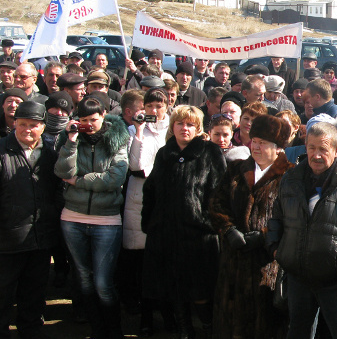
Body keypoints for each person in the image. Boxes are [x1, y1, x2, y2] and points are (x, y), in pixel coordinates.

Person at [267, 121, 337, 339]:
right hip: (298, 279)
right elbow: (276, 219)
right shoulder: (291, 179)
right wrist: (277, 251)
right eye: (312, 148)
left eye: (323, 149)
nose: (316, 155)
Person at [141, 106, 226, 338]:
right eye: (180, 123)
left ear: (198, 128)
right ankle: (184, 330)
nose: (185, 128)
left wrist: (209, 223)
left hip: (199, 236)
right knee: (173, 287)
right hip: (166, 232)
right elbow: (151, 191)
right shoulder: (164, 153)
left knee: (201, 289)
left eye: (190, 124)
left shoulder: (210, 152)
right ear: (173, 126)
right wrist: (150, 223)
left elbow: (220, 192)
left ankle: (209, 327)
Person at [210, 114, 293, 339]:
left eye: (263, 143)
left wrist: (265, 236)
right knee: (231, 321)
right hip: (233, 260)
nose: (256, 147)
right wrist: (227, 229)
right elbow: (217, 204)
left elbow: (294, 219)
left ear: (277, 148)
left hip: (267, 264)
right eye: (254, 140)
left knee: (265, 323)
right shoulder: (236, 170)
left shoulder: (290, 177)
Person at [54, 97, 129, 339]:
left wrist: (79, 181)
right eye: (84, 120)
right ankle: (97, 330)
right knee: (84, 281)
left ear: (104, 115)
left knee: (103, 284)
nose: (89, 125)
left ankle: (114, 331)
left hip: (106, 220)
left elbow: (115, 178)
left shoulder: (117, 139)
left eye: (94, 120)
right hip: (72, 218)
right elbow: (62, 171)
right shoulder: (71, 139)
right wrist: (72, 140)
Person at [0, 101, 62, 339]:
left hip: (40, 239)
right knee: (3, 295)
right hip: (7, 241)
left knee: (34, 294)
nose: (28, 129)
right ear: (14, 123)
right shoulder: (3, 151)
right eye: (23, 124)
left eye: (33, 125)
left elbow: (57, 191)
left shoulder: (49, 155)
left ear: (42, 127)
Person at [122, 87, 171, 336]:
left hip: (166, 198)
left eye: (159, 106)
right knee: (141, 260)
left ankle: (168, 313)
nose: (154, 111)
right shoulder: (134, 130)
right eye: (150, 106)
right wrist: (140, 131)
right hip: (140, 196)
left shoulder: (173, 129)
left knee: (164, 260)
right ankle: (144, 313)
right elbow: (137, 166)